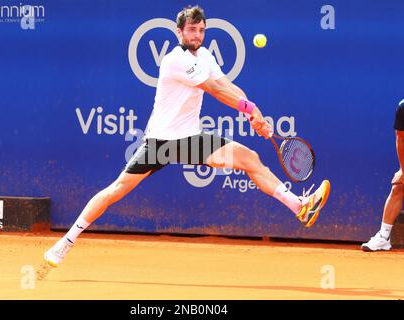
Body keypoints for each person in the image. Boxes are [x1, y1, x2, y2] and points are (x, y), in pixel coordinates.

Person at [44, 6, 331, 267]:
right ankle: (66, 241)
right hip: (161, 143)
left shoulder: (204, 55)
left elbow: (227, 85)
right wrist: (250, 108)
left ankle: (299, 207)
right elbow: (214, 90)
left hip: (191, 140)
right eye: (192, 30)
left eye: (201, 30)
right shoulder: (174, 59)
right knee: (115, 190)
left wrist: (255, 115)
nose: (197, 35)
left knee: (251, 159)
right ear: (179, 32)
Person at [361, 99, 404, 251]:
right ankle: (383, 237)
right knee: (399, 187)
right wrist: (403, 170)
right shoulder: (403, 107)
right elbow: (401, 138)